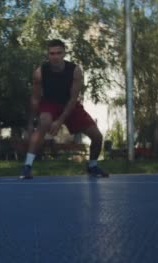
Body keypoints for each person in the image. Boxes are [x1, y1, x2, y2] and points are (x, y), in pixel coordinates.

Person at [20, 39, 109, 179]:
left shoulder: (75, 71)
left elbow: (73, 99)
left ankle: (92, 166)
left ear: (64, 54)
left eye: (58, 53)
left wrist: (60, 121)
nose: (55, 56)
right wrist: (30, 124)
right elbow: (35, 99)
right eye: (52, 53)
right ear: (48, 55)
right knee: (44, 122)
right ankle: (27, 167)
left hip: (69, 105)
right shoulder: (39, 72)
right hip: (49, 103)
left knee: (97, 137)